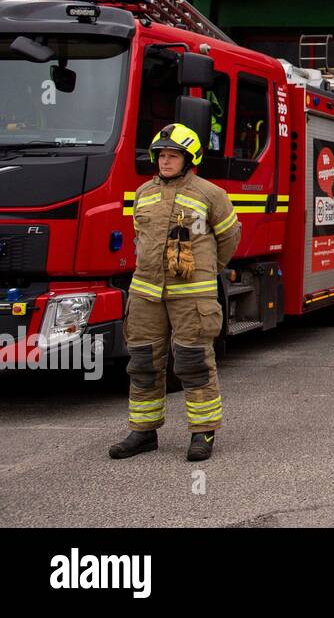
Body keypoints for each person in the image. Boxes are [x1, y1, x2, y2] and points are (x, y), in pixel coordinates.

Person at [109, 123, 241, 462]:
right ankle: (143, 431)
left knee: (193, 361)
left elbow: (229, 239)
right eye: (161, 156)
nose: (165, 162)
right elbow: (140, 237)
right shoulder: (143, 193)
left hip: (191, 296)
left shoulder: (211, 194)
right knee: (143, 362)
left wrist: (206, 270)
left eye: (173, 156)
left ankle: (202, 432)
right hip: (145, 295)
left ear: (189, 158)